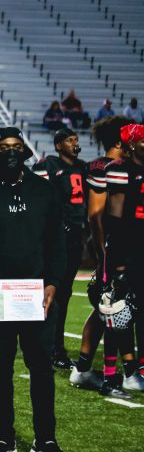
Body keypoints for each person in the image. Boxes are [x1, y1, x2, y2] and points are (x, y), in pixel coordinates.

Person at [0, 127, 67, 452]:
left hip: (38, 297)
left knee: (42, 368)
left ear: (25, 151)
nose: (11, 152)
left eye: (17, 146)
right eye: (4, 147)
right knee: (1, 368)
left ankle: (45, 438)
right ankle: (4, 437)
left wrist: (53, 284)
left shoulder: (45, 192)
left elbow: (58, 245)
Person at [70, 116, 135, 393]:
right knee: (111, 307)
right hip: (111, 245)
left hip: (123, 245)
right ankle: (103, 370)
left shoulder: (126, 167)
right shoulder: (103, 167)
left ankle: (86, 367)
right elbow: (96, 216)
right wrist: (103, 254)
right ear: (120, 141)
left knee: (109, 309)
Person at [32, 128, 88, 368]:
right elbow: (37, 199)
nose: (74, 143)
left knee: (64, 293)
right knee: (50, 291)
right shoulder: (48, 165)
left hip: (75, 236)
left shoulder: (83, 168)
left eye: (76, 139)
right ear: (58, 145)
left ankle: (56, 346)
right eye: (69, 140)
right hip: (54, 238)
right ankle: (48, 345)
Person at [98, 123, 144, 396]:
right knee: (118, 312)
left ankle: (137, 369)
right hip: (126, 249)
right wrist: (116, 259)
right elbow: (114, 217)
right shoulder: (119, 169)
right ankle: (116, 376)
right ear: (131, 145)